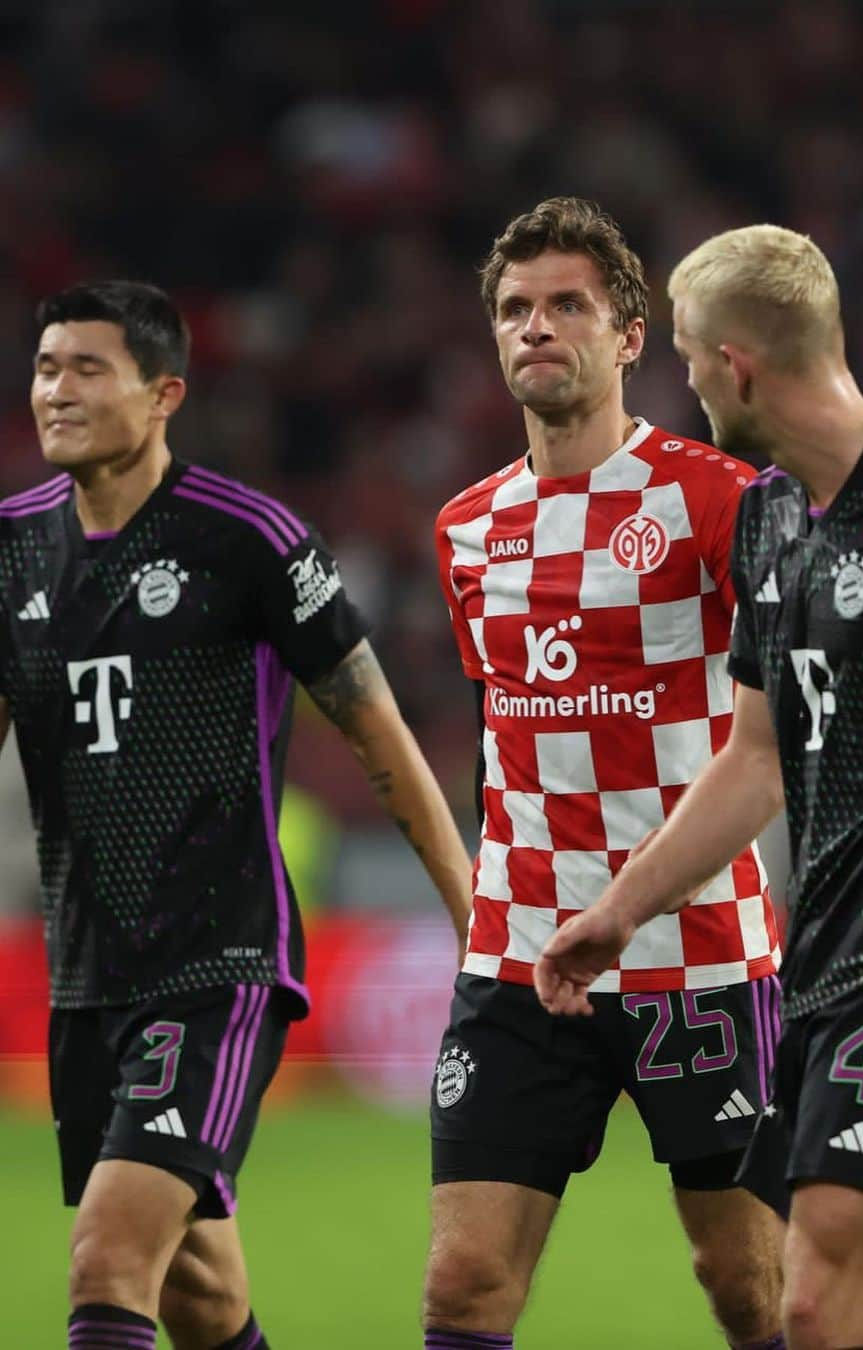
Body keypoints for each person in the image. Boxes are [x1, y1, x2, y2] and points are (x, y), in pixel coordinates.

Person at [534, 224, 863, 1350]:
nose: (681, 385)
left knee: (820, 1306)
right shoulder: (774, 522)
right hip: (822, 967)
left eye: (684, 356)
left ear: (736, 364)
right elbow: (755, 759)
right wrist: (619, 911)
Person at [0, 280, 473, 1350]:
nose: (56, 392)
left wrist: (476, 921)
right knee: (200, 1294)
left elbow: (378, 735)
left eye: (87, 369)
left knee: (108, 1261)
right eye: (44, 367)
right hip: (84, 976)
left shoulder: (245, 539)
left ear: (163, 393)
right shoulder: (12, 548)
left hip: (216, 964)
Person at [424, 198, 786, 1350]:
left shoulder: (718, 498)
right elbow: (506, 734)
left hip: (698, 956)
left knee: (748, 1287)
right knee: (463, 1286)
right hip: (521, 960)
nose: (537, 327)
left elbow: (771, 738)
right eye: (516, 309)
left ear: (631, 336)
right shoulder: (466, 527)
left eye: (567, 304)